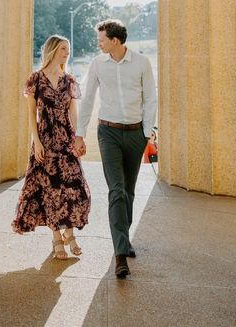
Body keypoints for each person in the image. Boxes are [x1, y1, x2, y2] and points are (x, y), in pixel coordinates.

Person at [74, 19, 157, 279]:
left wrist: (146, 133)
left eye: (101, 40)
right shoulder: (98, 64)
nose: (98, 44)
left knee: (129, 191)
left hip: (135, 134)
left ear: (115, 40)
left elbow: (151, 98)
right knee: (116, 191)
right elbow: (87, 99)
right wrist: (79, 133)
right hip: (107, 132)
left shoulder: (142, 63)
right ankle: (120, 254)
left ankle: (124, 239)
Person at [12, 35, 91, 259]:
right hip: (45, 140)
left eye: (68, 49)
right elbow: (31, 115)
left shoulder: (69, 81)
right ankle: (58, 237)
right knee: (51, 190)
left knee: (75, 188)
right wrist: (36, 142)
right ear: (53, 50)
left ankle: (70, 232)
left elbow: (73, 112)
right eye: (63, 49)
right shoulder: (35, 79)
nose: (67, 52)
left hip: (66, 140)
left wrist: (78, 138)